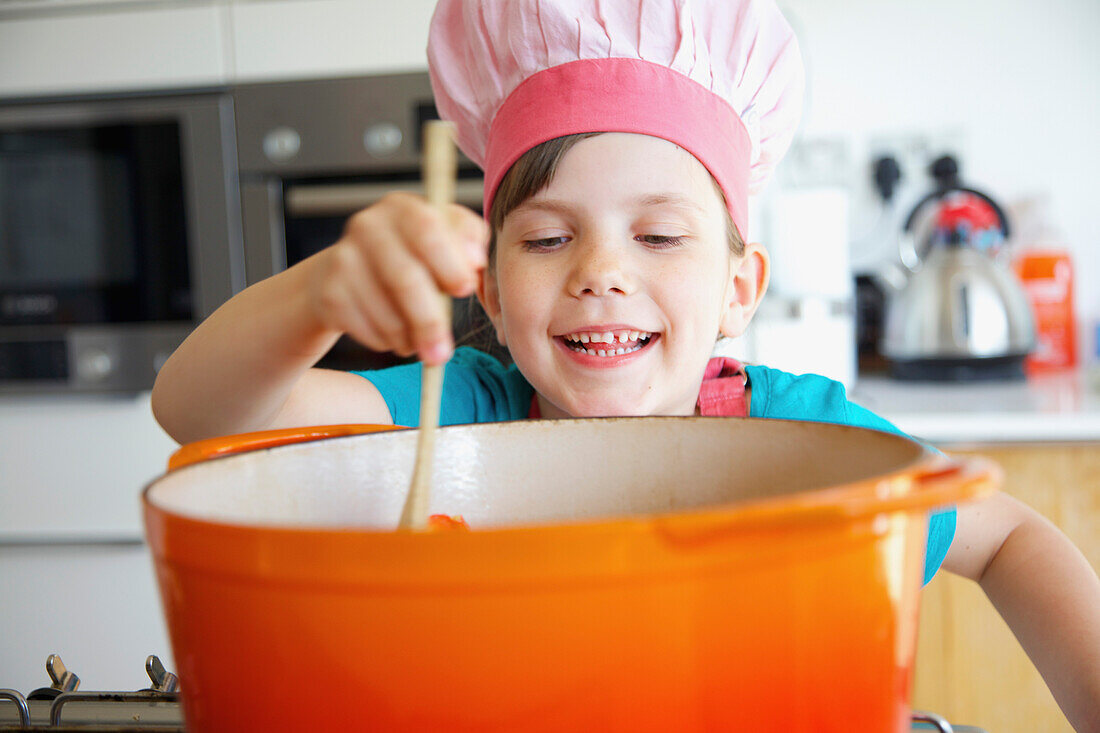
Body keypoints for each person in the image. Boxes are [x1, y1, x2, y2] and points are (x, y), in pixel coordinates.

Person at [151, 0, 1100, 728]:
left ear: (740, 285)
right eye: (550, 237)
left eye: (657, 234)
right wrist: (325, 288)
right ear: (486, 285)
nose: (602, 272)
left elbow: (1008, 536)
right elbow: (203, 412)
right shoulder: (457, 416)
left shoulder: (807, 448)